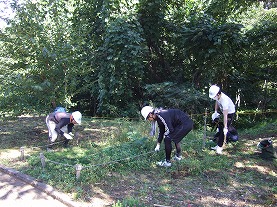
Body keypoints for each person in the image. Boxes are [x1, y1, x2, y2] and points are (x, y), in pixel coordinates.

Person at [208, 85, 237, 154]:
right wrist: (215, 111)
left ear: (218, 94)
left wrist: (226, 126)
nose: (214, 98)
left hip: (229, 113)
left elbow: (225, 115)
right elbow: (216, 102)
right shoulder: (218, 97)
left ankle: (219, 147)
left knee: (223, 130)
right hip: (223, 113)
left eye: (214, 96)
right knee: (220, 128)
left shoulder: (224, 100)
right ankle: (218, 145)